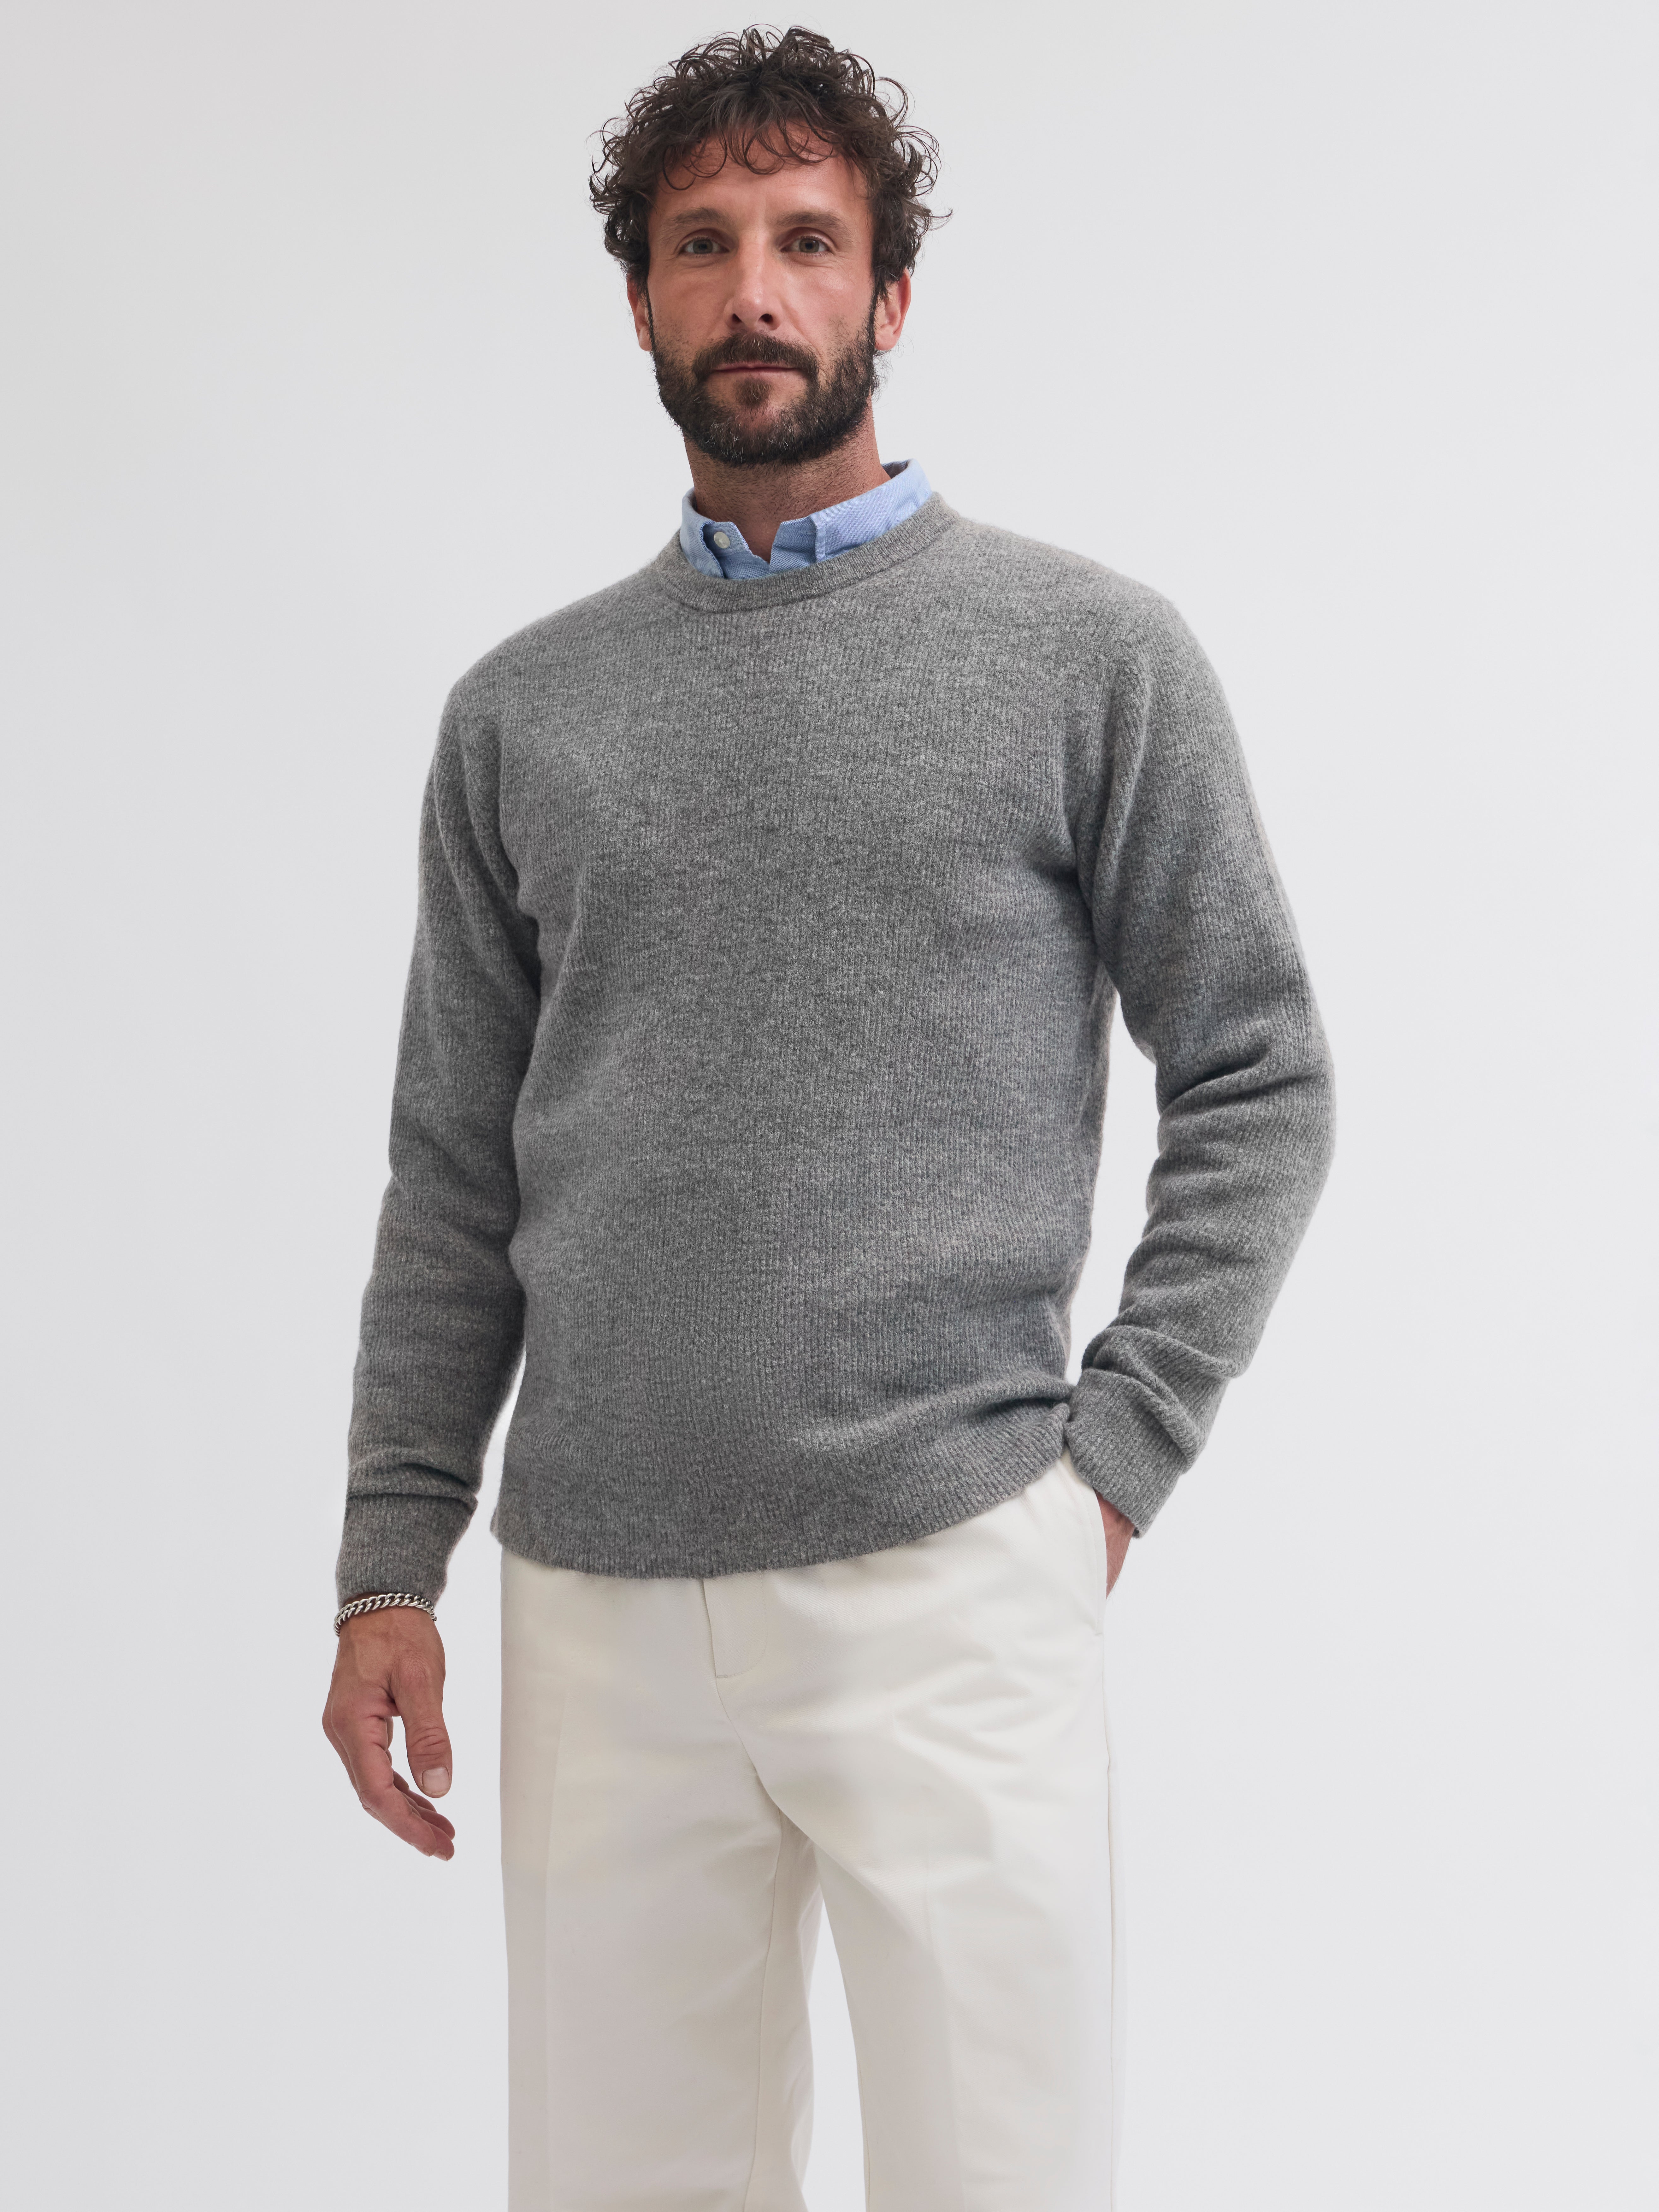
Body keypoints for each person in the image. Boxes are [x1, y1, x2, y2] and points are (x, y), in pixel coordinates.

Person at [322, 26, 1335, 2209]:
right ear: (640, 303)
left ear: (891, 293)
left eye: (806, 240)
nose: (755, 291)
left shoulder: (1089, 658)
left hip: (955, 1569)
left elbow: (1259, 1067)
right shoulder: (521, 717)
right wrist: (389, 1559)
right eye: (703, 245)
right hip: (598, 1604)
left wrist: (1109, 1469)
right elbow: (454, 1173)